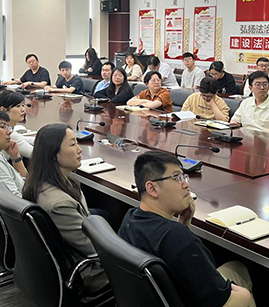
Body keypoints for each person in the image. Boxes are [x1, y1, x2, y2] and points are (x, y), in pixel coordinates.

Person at [118, 151, 255, 307]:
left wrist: (184, 222)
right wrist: (244, 294)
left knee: (237, 268)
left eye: (184, 177)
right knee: (243, 285)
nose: (186, 184)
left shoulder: (129, 219)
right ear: (152, 189)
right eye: (177, 178)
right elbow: (220, 302)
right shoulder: (178, 238)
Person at [22, 124, 108, 293]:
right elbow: (93, 248)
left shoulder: (39, 182)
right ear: (54, 155)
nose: (79, 150)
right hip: (88, 272)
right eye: (72, 144)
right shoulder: (60, 204)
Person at [0, 90, 33, 163]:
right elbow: (34, 154)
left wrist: (43, 138)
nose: (23, 110)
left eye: (23, 105)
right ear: (3, 110)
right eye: (18, 106)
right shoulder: (7, 133)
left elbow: (21, 138)